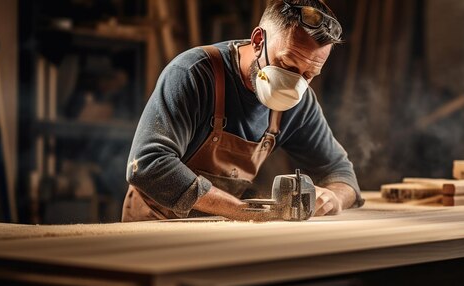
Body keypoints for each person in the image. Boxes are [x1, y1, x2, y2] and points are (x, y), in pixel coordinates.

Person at [121, 0, 364, 222]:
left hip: (221, 229)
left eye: (308, 75)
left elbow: (341, 174)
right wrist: (238, 209)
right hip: (156, 225)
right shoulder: (193, 74)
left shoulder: (300, 102)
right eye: (287, 65)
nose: (293, 85)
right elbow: (147, 164)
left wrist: (334, 197)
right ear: (258, 41)